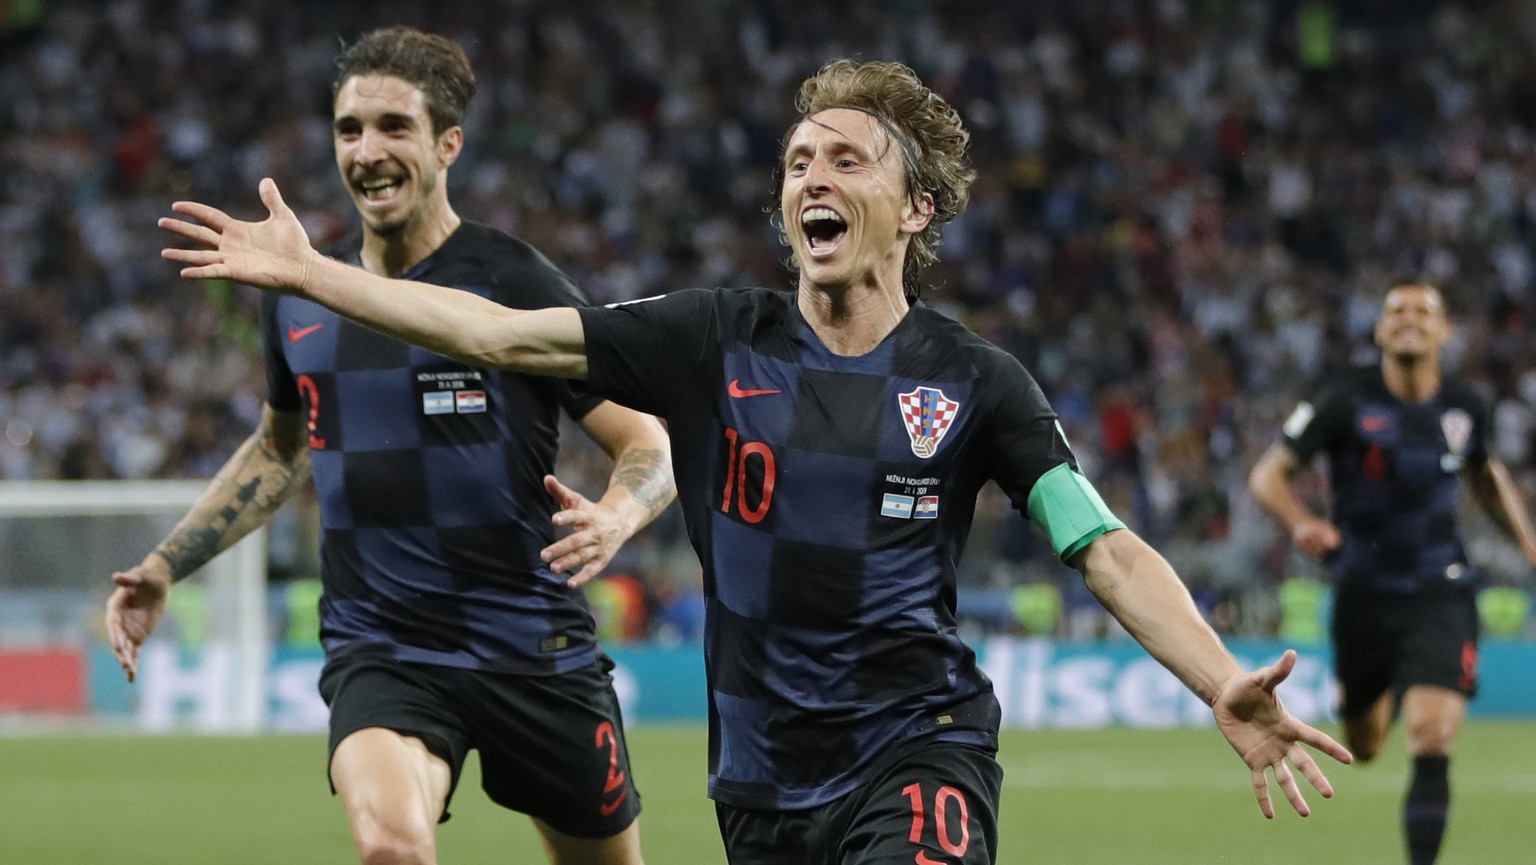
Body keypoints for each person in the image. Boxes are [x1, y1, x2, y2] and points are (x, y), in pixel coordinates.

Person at [159, 58, 1351, 864]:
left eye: (846, 159)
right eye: (795, 163)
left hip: (917, 742)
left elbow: (1104, 547)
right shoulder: (709, 336)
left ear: (917, 208)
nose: (811, 180)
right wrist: (312, 274)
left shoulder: (979, 383)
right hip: (762, 784)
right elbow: (497, 332)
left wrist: (1217, 677)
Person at [109, 26, 675, 865]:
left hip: (533, 645)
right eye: (349, 129)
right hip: (386, 647)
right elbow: (277, 449)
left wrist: (620, 515)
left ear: (449, 143)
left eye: (394, 127)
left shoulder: (512, 281)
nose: (368, 150)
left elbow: (645, 440)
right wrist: (164, 562)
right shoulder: (297, 298)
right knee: (392, 847)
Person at [1248, 281, 1536, 865]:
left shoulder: (1465, 405)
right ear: (1379, 331)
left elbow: (1484, 475)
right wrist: (1301, 521)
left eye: (1424, 311)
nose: (1410, 319)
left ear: (1445, 332)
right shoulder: (1344, 397)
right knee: (1369, 744)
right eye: (1397, 311)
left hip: (1440, 586)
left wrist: (1529, 545)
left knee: (1432, 737)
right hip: (1363, 590)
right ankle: (1393, 685)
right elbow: (1267, 476)